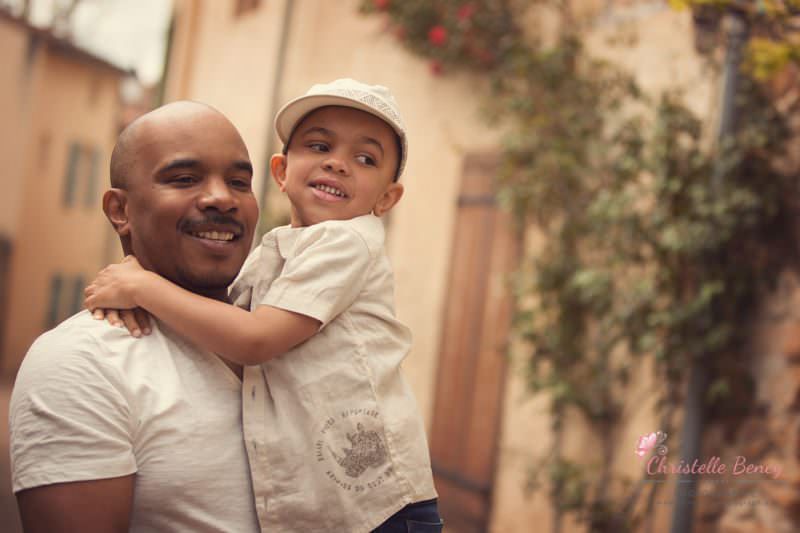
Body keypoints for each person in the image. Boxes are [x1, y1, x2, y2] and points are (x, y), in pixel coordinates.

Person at [84, 79, 442, 532]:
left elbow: (254, 339)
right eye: (319, 145)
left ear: (387, 198)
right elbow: (220, 320)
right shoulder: (278, 248)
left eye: (366, 158)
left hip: (384, 508)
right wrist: (143, 292)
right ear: (281, 170)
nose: (338, 162)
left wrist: (143, 288)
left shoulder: (348, 242)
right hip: (336, 507)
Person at [9, 101, 262, 532]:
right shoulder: (82, 360)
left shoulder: (283, 337)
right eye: (184, 178)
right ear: (119, 211)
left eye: (239, 181)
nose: (223, 197)